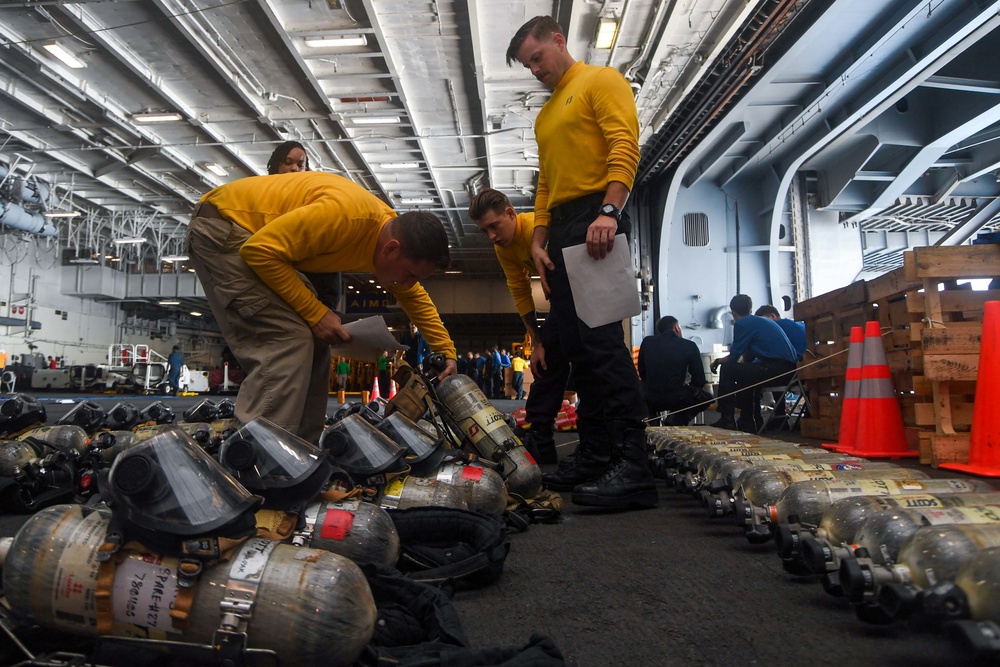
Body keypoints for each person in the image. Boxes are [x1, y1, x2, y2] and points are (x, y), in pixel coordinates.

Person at [186, 171, 457, 444]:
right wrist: (317, 314)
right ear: (392, 249)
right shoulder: (345, 217)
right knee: (289, 338)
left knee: (316, 340)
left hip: (256, 242)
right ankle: (261, 459)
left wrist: (445, 350)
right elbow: (259, 251)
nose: (409, 283)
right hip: (223, 227)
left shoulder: (386, 238)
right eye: (410, 274)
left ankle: (300, 454)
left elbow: (415, 297)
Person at [506, 16, 656, 508]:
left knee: (605, 345)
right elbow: (546, 183)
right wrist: (538, 239)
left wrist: (610, 211)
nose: (534, 69)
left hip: (599, 218)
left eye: (537, 58)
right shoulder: (545, 116)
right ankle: (594, 453)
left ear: (558, 40)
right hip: (564, 228)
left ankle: (634, 466)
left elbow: (623, 146)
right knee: (578, 348)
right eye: (528, 65)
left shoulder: (601, 80)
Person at [469, 187, 570, 462]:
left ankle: (604, 441)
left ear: (511, 214)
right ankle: (540, 438)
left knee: (587, 364)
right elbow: (519, 289)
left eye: (494, 226)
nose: (491, 236)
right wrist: (536, 343)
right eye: (484, 230)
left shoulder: (537, 228)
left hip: (583, 294)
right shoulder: (504, 249)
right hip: (563, 302)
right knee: (546, 361)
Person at [266, 141, 341, 313]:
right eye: (288, 162)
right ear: (277, 164)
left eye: (301, 165)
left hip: (314, 283)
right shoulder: (264, 195)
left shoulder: (314, 197)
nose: (294, 168)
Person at [710, 294, 798, 433]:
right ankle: (749, 422)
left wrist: (717, 361)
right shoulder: (762, 321)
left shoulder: (742, 323)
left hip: (777, 369)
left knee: (727, 369)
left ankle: (727, 419)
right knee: (746, 373)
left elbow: (733, 358)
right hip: (790, 370)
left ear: (733, 312)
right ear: (751, 310)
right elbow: (748, 358)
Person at [638, 316, 713, 425]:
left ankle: (652, 418)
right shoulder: (689, 345)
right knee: (707, 398)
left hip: (650, 396)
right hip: (678, 397)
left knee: (641, 389)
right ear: (676, 328)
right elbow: (699, 380)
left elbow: (642, 373)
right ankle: (676, 419)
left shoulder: (647, 342)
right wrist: (688, 388)